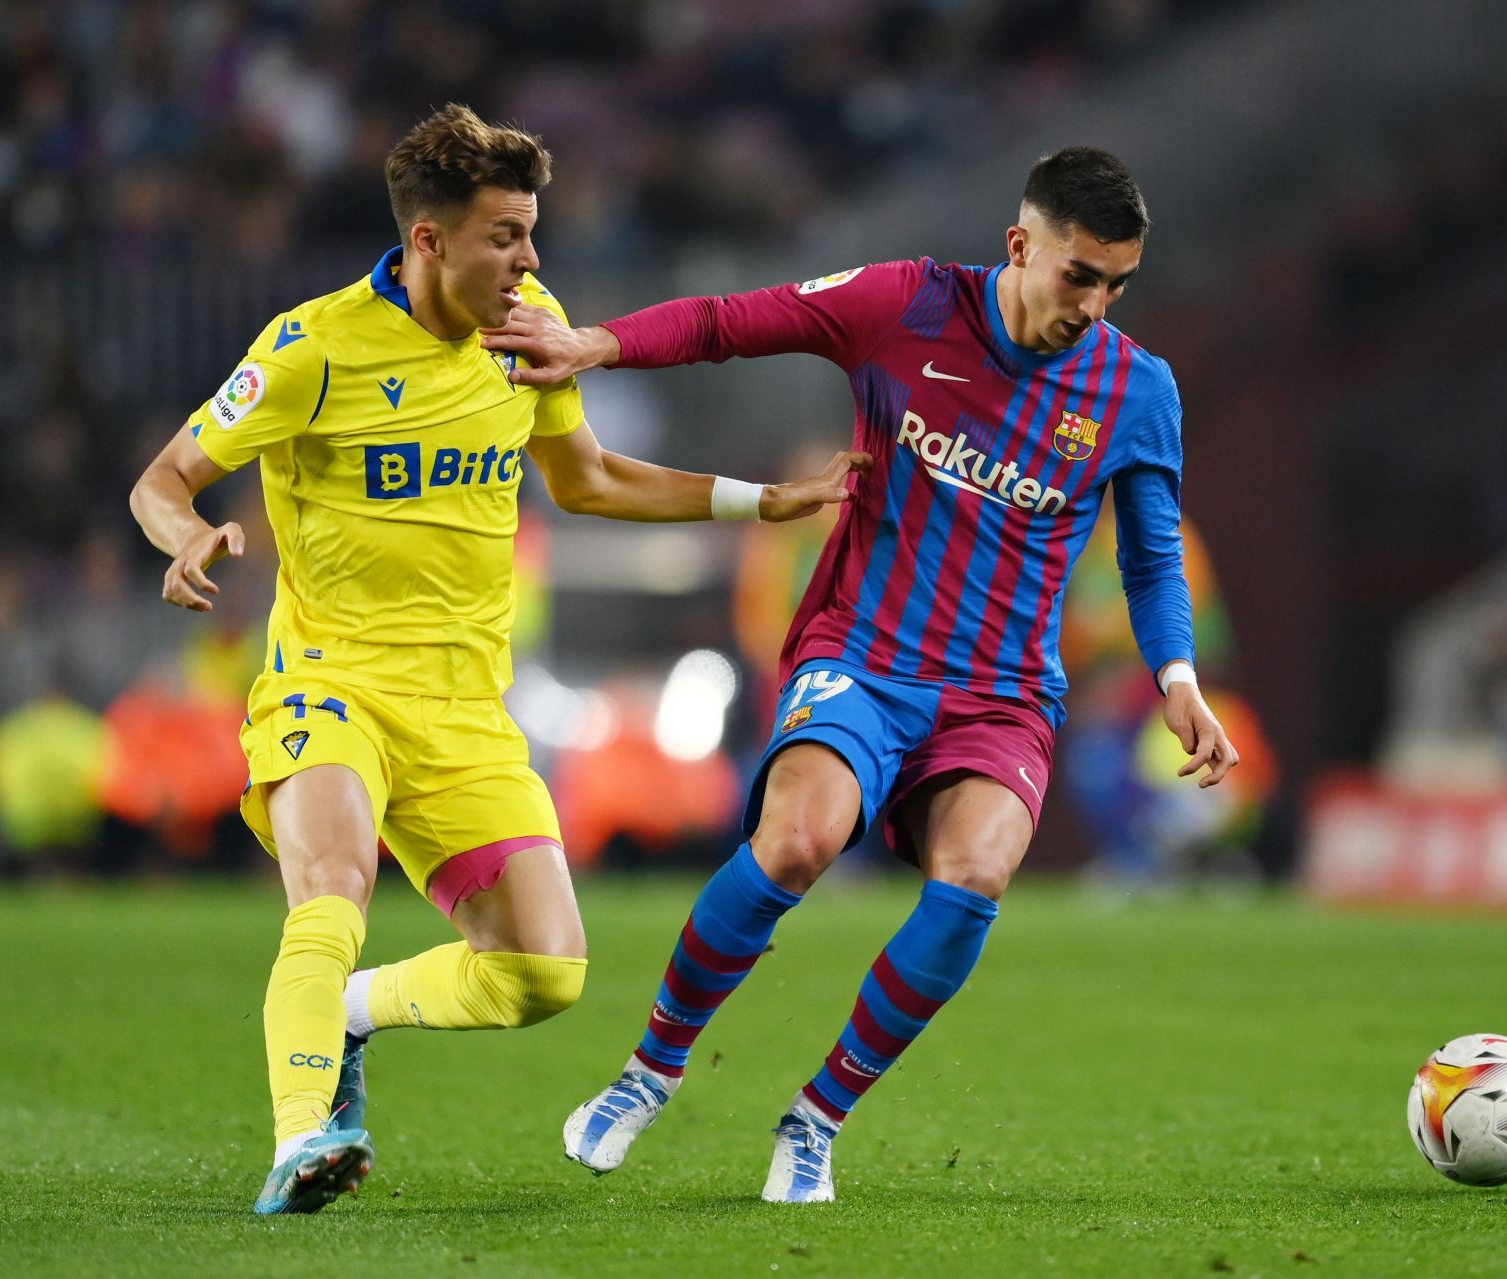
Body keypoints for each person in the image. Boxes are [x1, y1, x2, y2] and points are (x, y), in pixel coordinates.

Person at [127, 105, 866, 1215]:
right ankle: (301, 1138)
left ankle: (354, 1012)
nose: (529, 259)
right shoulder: (310, 345)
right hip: (331, 682)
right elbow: (162, 478)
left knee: (542, 972)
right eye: (505, 235)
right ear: (428, 240)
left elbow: (591, 479)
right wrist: (187, 536)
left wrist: (757, 501)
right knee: (331, 888)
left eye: (532, 233)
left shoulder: (533, 327)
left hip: (465, 709)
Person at [484, 146, 1238, 1203]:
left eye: (1118, 283)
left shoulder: (1135, 388)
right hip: (865, 653)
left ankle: (817, 1116)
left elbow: (1153, 552)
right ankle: (648, 1071)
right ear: (1021, 246)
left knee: (975, 873)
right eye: (1081, 275)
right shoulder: (906, 304)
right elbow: (729, 323)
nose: (1097, 303)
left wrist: (1177, 674)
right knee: (796, 840)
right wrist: (594, 345)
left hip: (1003, 696)